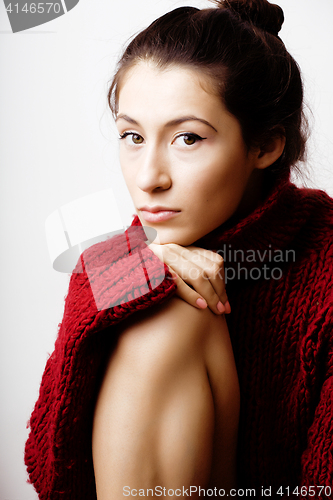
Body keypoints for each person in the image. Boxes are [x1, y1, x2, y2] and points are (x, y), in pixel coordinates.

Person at [25, 1, 333, 499]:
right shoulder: (125, 255)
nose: (149, 178)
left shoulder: (326, 265)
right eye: (132, 136)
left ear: (266, 146)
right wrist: (139, 273)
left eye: (187, 138)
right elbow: (52, 459)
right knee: (158, 304)